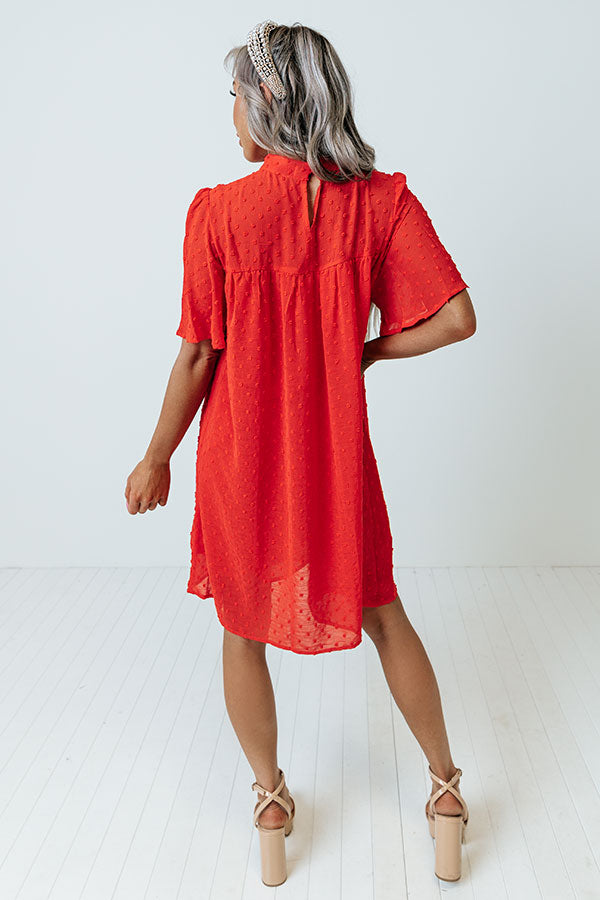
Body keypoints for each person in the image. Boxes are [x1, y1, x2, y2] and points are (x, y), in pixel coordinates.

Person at [125, 20, 476, 887]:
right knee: (385, 614)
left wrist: (156, 456)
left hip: (241, 462)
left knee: (242, 631)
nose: (230, 116)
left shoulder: (219, 214)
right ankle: (445, 793)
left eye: (236, 97)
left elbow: (197, 355)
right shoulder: (382, 202)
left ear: (268, 103)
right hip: (336, 463)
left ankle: (271, 803)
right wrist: (364, 351)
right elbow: (456, 318)